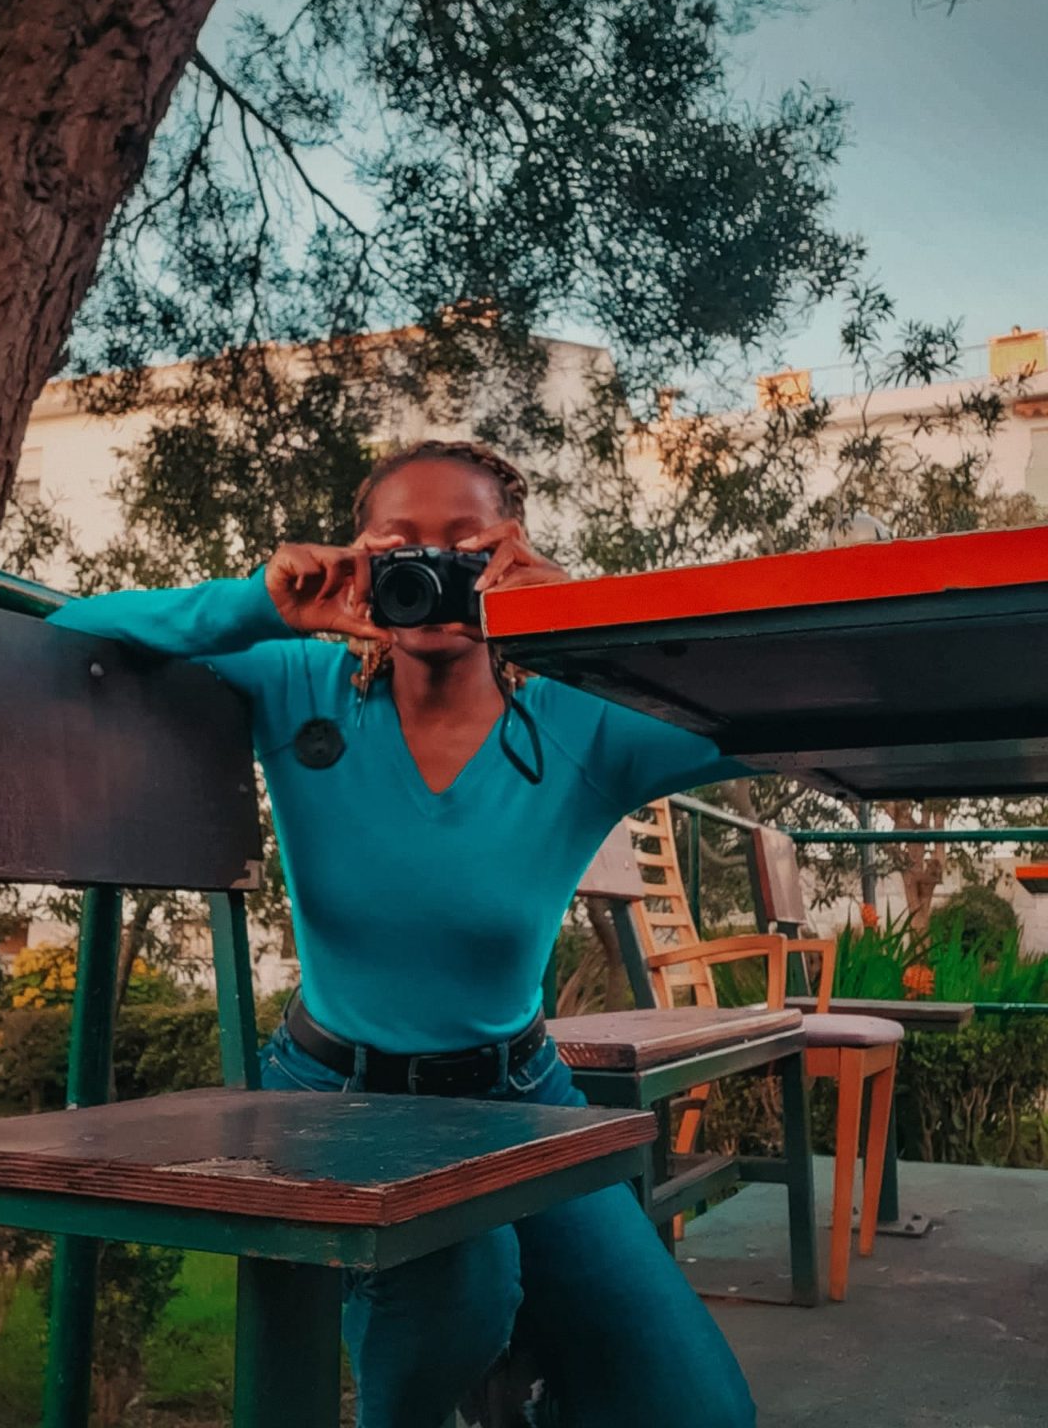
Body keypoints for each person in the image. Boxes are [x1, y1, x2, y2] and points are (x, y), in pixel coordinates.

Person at [48, 439, 756, 1428]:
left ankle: (519, 1377)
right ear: (360, 564)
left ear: (512, 557)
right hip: (333, 1096)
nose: (436, 576)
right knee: (461, 1300)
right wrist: (264, 600)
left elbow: (766, 707)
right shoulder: (298, 683)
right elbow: (73, 624)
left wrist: (580, 630)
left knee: (694, 1411)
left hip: (521, 1099)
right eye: (400, 551)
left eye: (468, 550)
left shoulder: (582, 721)